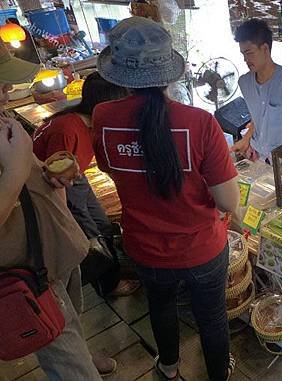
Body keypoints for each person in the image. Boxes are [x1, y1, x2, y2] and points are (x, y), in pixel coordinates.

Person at [92, 17, 240, 380]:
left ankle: (169, 367)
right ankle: (219, 374)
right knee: (211, 316)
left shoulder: (102, 116)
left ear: (119, 73)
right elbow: (228, 202)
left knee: (160, 306)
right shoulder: (199, 122)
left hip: (143, 247)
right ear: (170, 73)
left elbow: (111, 169)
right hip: (201, 249)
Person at [0, 43, 102, 380]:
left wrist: (49, 172)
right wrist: (16, 171)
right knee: (67, 358)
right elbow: (16, 172)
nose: (7, 92)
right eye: (0, 83)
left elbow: (31, 166)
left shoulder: (4, 118)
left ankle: (83, 352)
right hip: (26, 270)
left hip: (54, 244)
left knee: (72, 319)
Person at [32, 71, 141, 298]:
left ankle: (113, 265)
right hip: (58, 188)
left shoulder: (89, 123)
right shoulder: (67, 129)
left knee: (101, 223)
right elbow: (54, 177)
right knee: (91, 235)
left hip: (76, 178)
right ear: (106, 104)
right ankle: (107, 283)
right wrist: (64, 218)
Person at [232, 18, 282, 163]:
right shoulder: (244, 82)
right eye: (243, 54)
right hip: (259, 155)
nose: (245, 59)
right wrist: (246, 139)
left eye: (249, 53)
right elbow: (258, 117)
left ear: (265, 49)